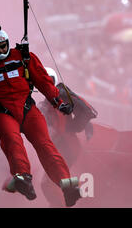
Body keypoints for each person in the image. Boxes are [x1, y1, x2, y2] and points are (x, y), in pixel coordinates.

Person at [0, 24, 81, 207]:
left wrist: (58, 102)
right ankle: (23, 177)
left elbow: (43, 80)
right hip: (4, 113)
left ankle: (67, 185)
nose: (1, 50)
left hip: (28, 109)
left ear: (7, 43)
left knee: (45, 144)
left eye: (3, 46)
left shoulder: (23, 57)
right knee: (12, 141)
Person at [38, 67, 97, 206]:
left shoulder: (58, 97)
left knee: (48, 183)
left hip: (66, 146)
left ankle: (78, 189)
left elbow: (84, 114)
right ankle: (77, 189)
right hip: (64, 146)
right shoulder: (53, 99)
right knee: (51, 183)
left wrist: (72, 128)